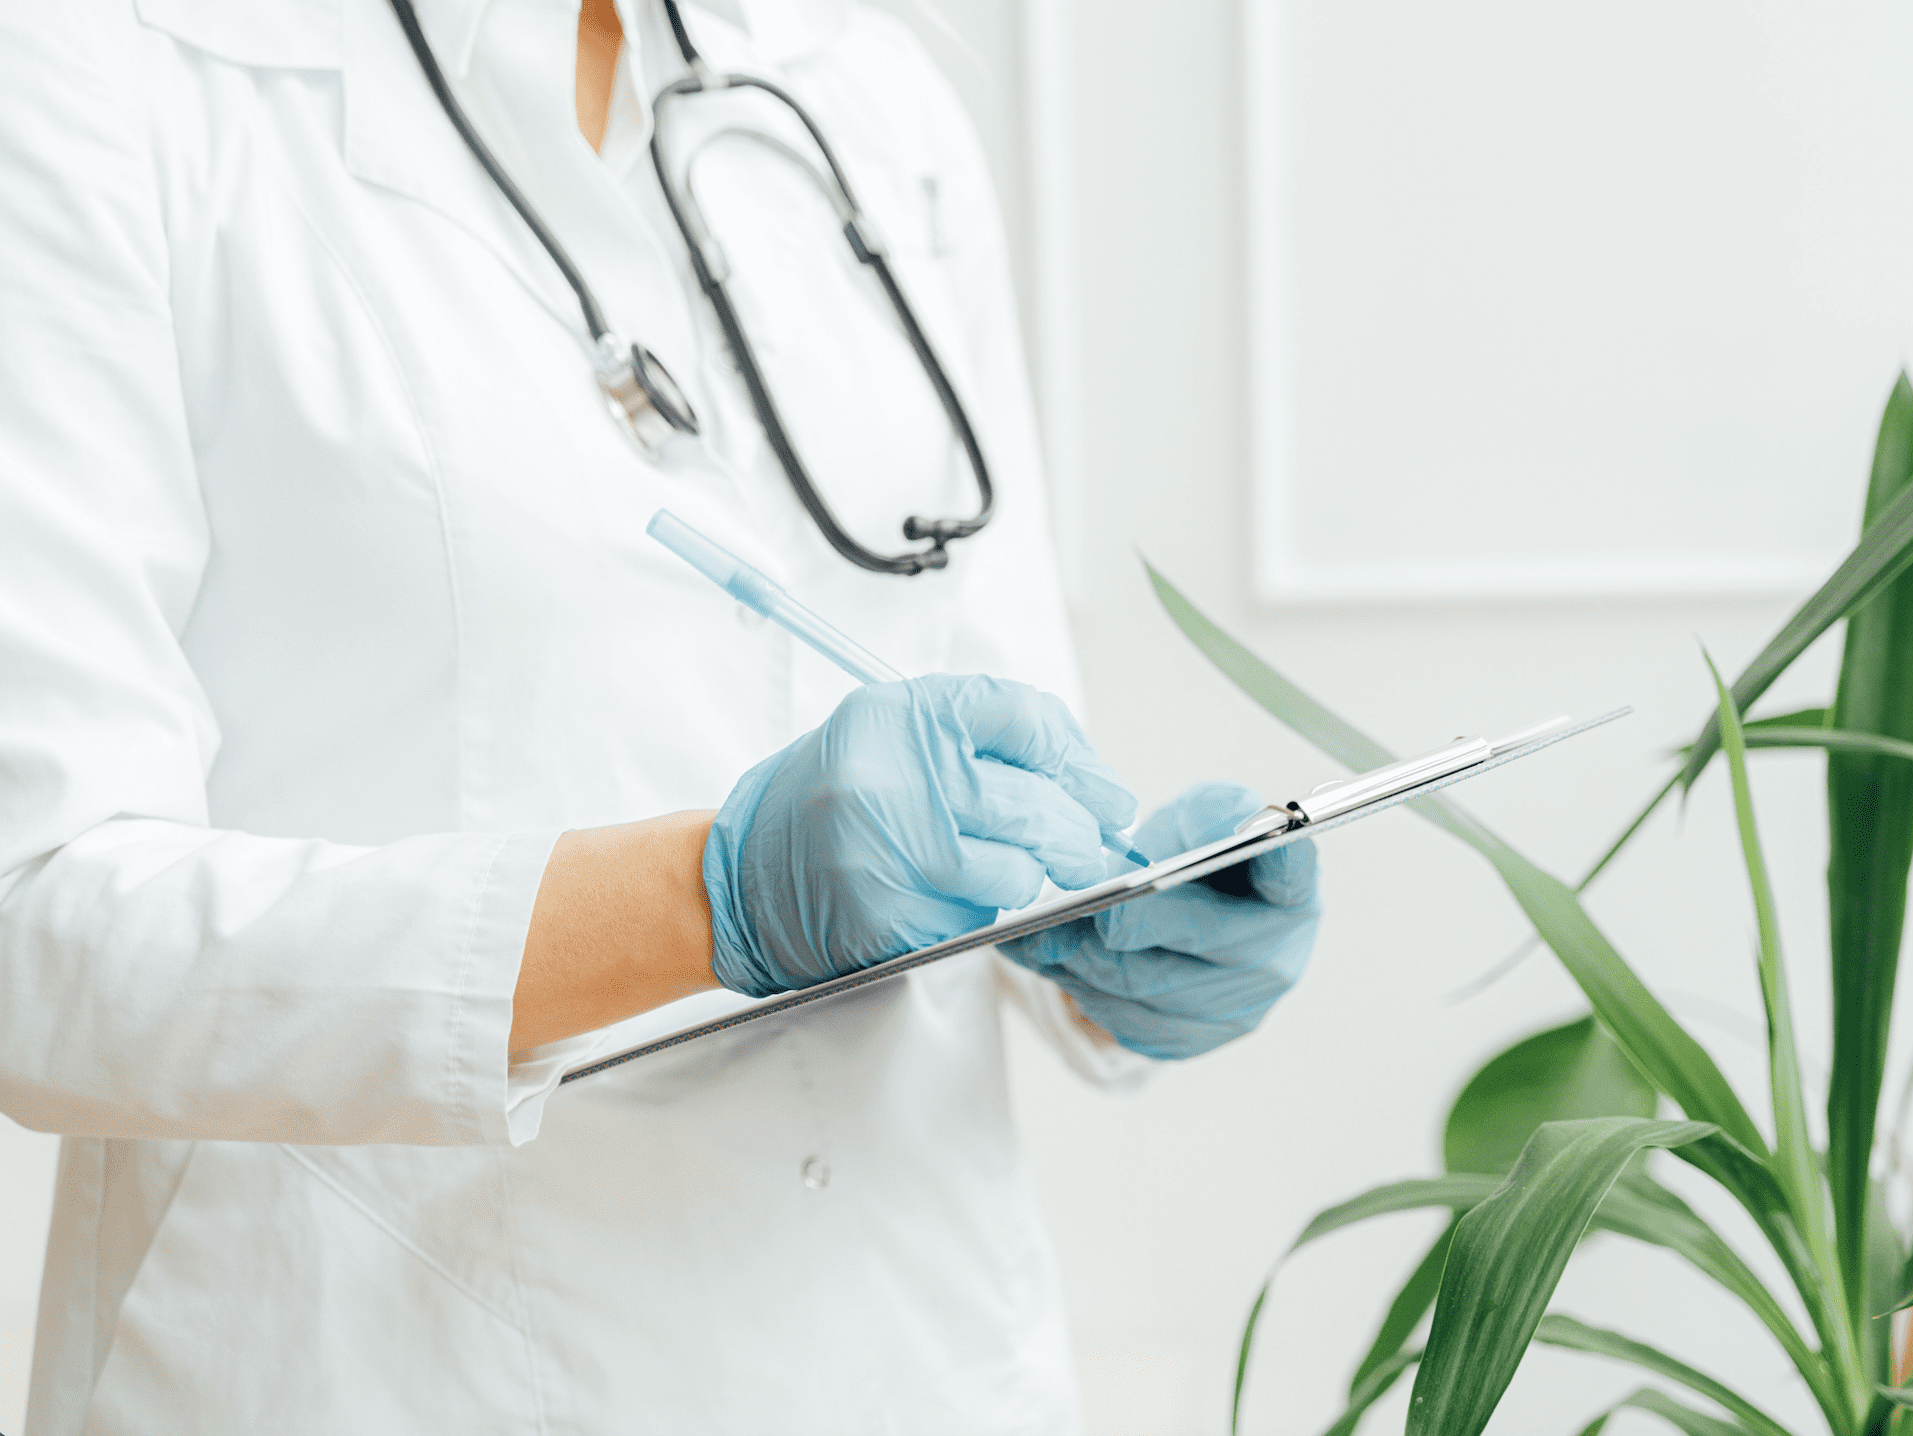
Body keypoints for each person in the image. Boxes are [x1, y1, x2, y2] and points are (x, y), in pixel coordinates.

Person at [0, 0, 1322, 1430]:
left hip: (928, 1354)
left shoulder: (862, 85)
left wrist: (1111, 922)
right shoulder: (89, 73)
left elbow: (1002, 726)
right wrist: (713, 899)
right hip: (390, 1367)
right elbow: (36, 926)